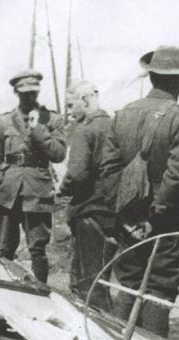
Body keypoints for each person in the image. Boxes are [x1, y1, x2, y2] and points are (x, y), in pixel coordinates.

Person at [100, 45, 179, 338]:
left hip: (129, 222)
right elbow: (178, 175)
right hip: (170, 223)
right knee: (159, 290)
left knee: (129, 284)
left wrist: (127, 216)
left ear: (152, 78)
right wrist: (154, 218)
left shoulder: (122, 114)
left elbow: (107, 173)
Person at [0, 69, 67, 283]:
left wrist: (38, 129)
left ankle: (40, 292)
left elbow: (58, 154)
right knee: (5, 247)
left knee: (37, 248)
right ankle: (3, 288)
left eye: (33, 93)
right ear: (16, 92)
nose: (30, 98)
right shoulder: (4, 122)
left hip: (37, 191)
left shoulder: (52, 119)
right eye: (25, 93)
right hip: (8, 191)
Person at [57, 80, 114, 310]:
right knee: (101, 279)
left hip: (88, 212)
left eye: (71, 106)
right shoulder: (113, 125)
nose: (69, 112)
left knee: (85, 284)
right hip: (111, 214)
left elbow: (77, 174)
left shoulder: (85, 130)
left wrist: (62, 189)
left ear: (85, 100)